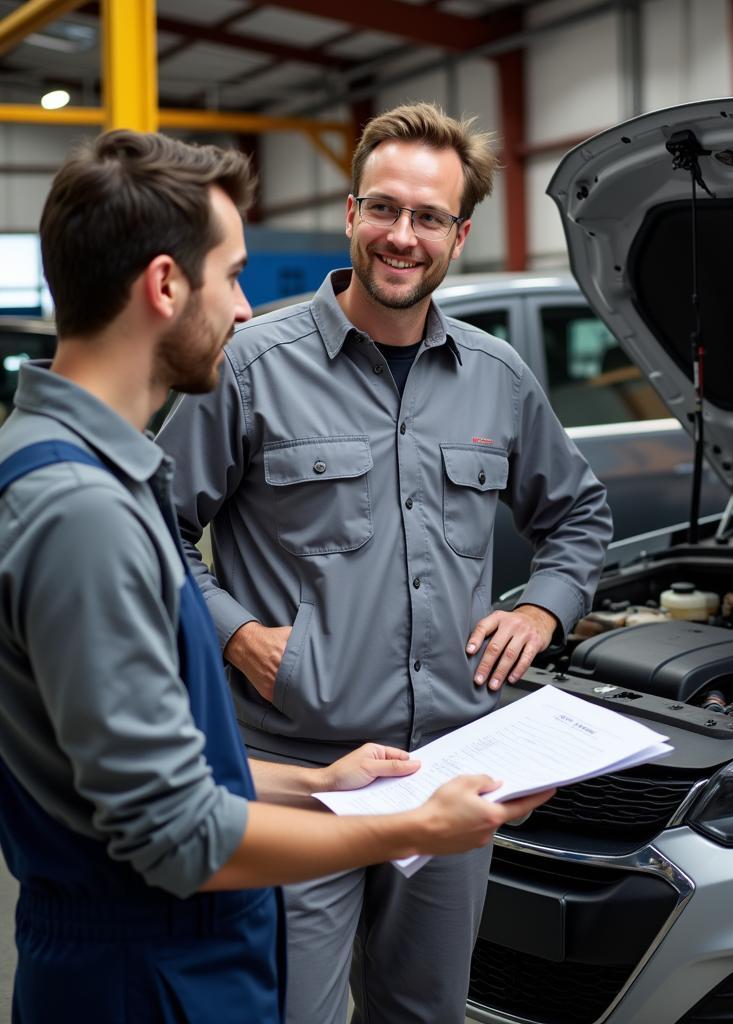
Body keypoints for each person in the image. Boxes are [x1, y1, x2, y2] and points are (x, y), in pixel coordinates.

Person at [0, 129, 551, 1024]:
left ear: (460, 232)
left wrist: (323, 786)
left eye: (429, 216)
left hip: (228, 876)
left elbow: (168, 768)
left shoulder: (92, 475)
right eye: (232, 275)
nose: (249, 308)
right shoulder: (81, 508)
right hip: (141, 960)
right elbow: (173, 828)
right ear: (166, 286)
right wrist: (409, 826)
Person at [156, 102, 613, 1023]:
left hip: (452, 770)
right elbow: (149, 526)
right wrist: (236, 634)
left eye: (428, 217)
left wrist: (543, 610)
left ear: (459, 233)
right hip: (299, 777)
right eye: (385, 209)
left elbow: (579, 513)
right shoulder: (252, 366)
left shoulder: (497, 377)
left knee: (427, 1012)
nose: (402, 237)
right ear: (353, 212)